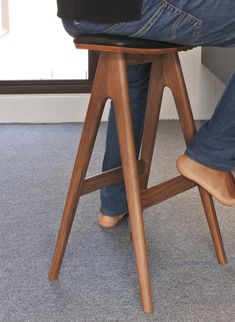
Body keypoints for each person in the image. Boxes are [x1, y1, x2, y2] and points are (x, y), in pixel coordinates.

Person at [57, 0, 235, 228]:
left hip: (77, 13)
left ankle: (114, 203)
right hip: (131, 10)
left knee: (132, 80)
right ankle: (211, 156)